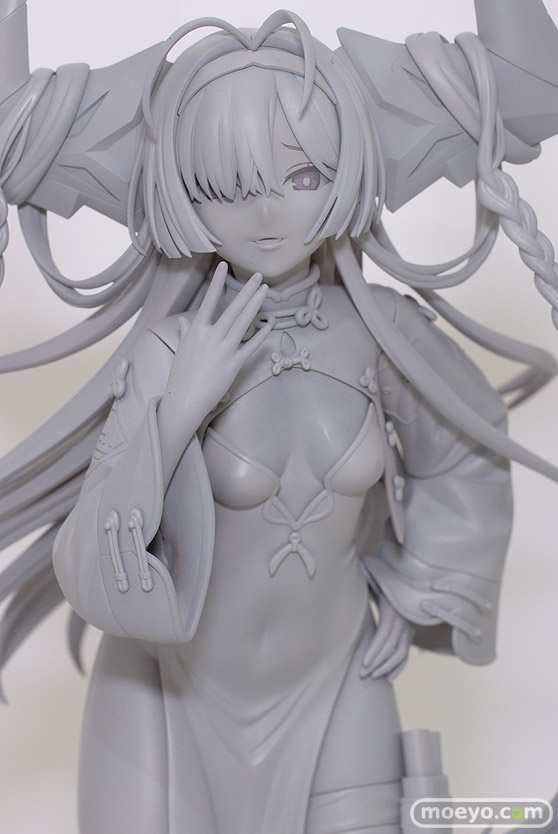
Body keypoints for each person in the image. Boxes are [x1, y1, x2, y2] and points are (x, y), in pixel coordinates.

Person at [1, 3, 557, 832]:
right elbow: (95, 557)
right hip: (166, 692)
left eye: (301, 179)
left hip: (336, 683)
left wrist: (425, 587)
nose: (266, 215)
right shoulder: (173, 350)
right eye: (225, 188)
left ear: (348, 169)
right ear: (181, 194)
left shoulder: (382, 335)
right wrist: (178, 409)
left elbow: (462, 450)